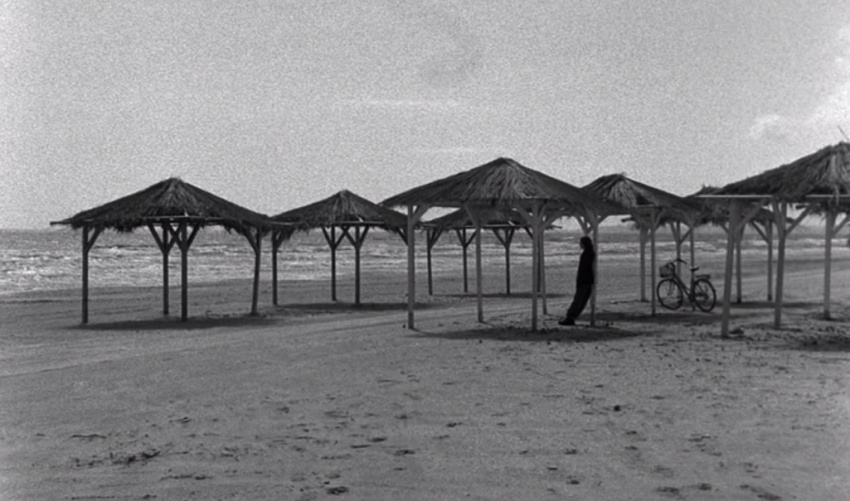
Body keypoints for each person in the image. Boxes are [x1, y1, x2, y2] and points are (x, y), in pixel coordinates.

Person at [559, 236, 595, 326]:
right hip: (588, 280)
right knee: (582, 300)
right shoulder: (590, 254)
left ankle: (570, 317)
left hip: (584, 280)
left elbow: (583, 270)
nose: (580, 245)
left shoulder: (586, 254)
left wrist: (579, 281)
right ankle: (572, 317)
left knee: (578, 300)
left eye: (581, 243)